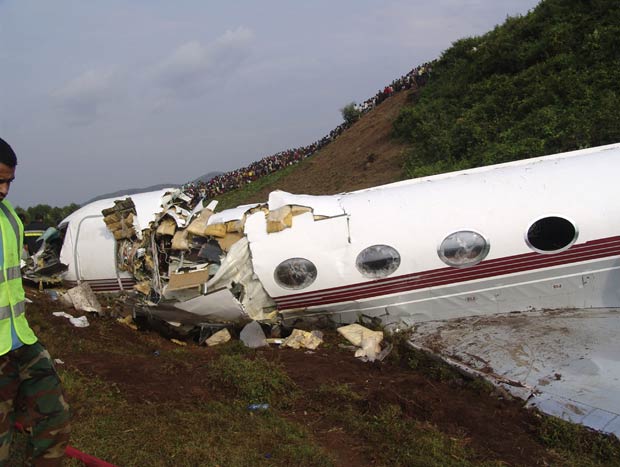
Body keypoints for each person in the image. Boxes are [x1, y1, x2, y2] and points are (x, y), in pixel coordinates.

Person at [0, 137, 70, 465]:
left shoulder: (11, 219)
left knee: (54, 413)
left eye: (9, 182)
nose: (3, 189)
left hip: (19, 338)